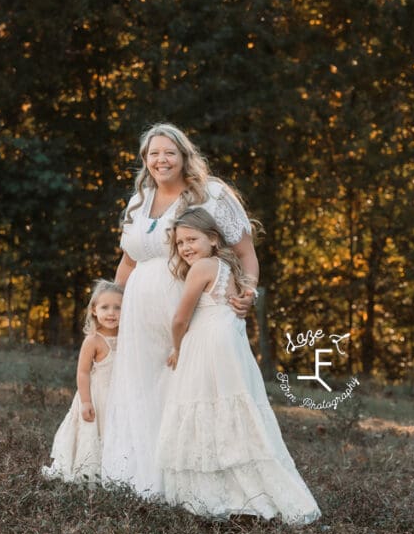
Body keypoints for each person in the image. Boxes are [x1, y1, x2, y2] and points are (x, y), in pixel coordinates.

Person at [101, 123, 259, 497]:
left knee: (185, 388)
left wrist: (248, 291)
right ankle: (144, 476)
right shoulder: (139, 201)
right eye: (153, 154)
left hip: (191, 309)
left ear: (185, 155)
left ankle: (191, 480)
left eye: (169, 152)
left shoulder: (211, 195)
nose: (161, 160)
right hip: (139, 313)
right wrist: (112, 306)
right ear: (145, 161)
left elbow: (245, 252)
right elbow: (127, 261)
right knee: (141, 389)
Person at [158, 208, 320, 524]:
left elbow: (180, 319)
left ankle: (211, 493)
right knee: (231, 409)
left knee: (202, 405)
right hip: (230, 344)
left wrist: (177, 349)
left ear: (213, 239)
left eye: (192, 239)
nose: (186, 248)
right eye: (179, 243)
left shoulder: (202, 267)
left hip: (207, 344)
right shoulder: (225, 268)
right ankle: (247, 491)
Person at [42, 280, 123, 485]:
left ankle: (115, 470)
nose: (111, 313)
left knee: (114, 432)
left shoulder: (127, 337)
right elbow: (83, 372)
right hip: (96, 397)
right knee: (94, 432)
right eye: (105, 307)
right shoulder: (93, 340)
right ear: (94, 310)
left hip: (119, 398)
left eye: (118, 307)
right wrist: (86, 401)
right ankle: (89, 470)